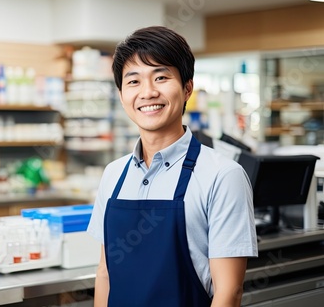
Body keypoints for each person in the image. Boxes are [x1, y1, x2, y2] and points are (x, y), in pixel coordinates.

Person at [87, 26, 258, 307]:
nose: (148, 92)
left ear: (187, 87)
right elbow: (106, 273)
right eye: (133, 82)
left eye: (162, 77)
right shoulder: (114, 174)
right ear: (121, 95)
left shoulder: (223, 175)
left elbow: (229, 292)